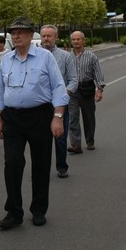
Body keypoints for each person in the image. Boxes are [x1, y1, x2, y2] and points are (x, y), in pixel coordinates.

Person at [0, 16, 68, 229]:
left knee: (41, 164)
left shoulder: (45, 57)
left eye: (20, 32)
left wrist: (58, 118)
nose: (15, 36)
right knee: (13, 163)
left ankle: (38, 210)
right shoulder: (6, 59)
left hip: (40, 116)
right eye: (12, 32)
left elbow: (58, 88)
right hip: (12, 118)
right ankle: (14, 212)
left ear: (30, 35)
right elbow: (0, 91)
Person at [39, 26, 78, 178]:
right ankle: (41, 168)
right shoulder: (35, 55)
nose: (46, 39)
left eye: (49, 36)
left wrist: (65, 93)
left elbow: (74, 79)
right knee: (41, 139)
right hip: (41, 104)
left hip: (59, 104)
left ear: (56, 37)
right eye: (44, 36)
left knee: (60, 137)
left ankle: (62, 166)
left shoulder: (65, 56)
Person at [67, 31, 106, 153]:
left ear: (84, 41)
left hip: (87, 89)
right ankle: (76, 144)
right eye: (73, 39)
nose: (75, 42)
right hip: (73, 90)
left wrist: (99, 90)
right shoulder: (67, 57)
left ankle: (90, 141)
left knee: (88, 117)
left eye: (78, 39)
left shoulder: (91, 56)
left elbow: (98, 73)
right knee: (72, 117)